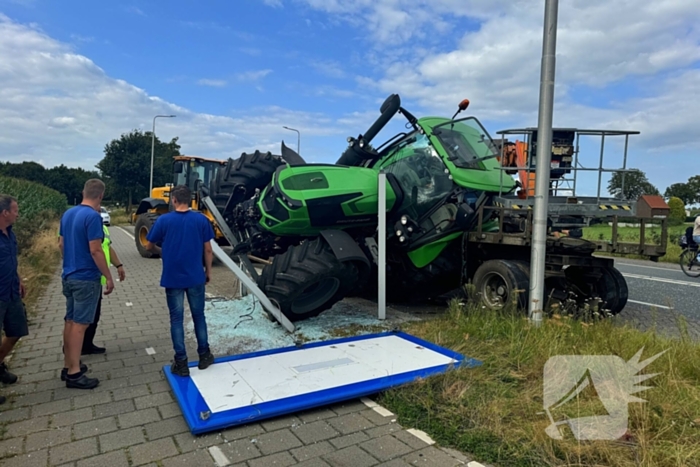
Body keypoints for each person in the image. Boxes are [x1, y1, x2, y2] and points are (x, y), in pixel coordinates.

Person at [145, 184, 215, 377]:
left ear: (173, 200)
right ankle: (204, 355)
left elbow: (149, 245)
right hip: (195, 277)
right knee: (198, 316)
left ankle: (181, 362)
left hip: (172, 277)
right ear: (191, 200)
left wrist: (162, 252)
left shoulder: (163, 220)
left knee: (176, 319)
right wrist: (208, 271)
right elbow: (208, 249)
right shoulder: (201, 220)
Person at [58, 179, 114, 389]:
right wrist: (107, 276)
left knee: (70, 321)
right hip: (86, 278)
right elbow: (96, 250)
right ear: (100, 195)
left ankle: (68, 365)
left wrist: (70, 263)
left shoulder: (68, 214)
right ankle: (74, 373)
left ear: (84, 192)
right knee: (80, 325)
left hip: (69, 275)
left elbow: (61, 244)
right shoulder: (93, 217)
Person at [0, 195, 29, 404]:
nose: (18, 213)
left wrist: (18, 279)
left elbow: (11, 260)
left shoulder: (10, 234)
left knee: (17, 331)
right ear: (5, 213)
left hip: (11, 292)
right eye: (15, 210)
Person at [82, 223, 126, 355]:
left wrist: (118, 265)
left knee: (94, 315)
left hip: (97, 278)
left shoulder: (102, 227)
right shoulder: (83, 223)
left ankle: (87, 345)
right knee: (81, 319)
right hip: (86, 277)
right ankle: (73, 352)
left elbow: (107, 246)